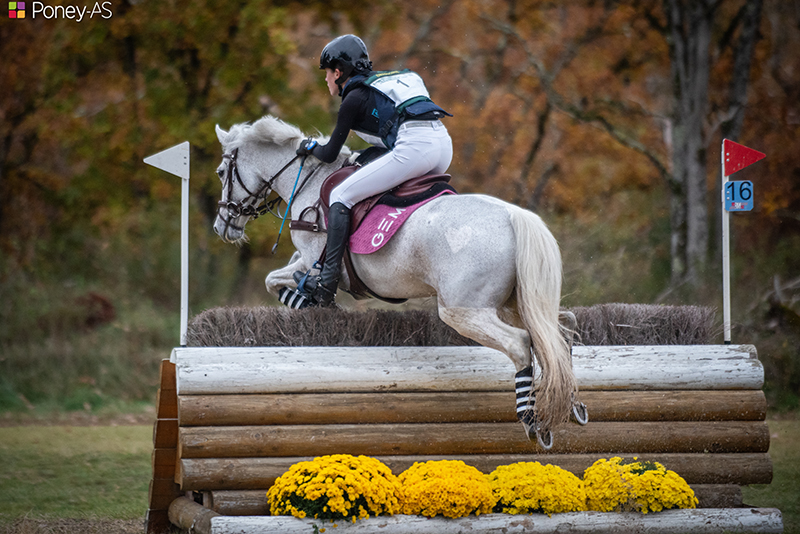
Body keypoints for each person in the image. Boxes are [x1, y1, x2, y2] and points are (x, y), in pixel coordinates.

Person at [294, 34, 453, 307]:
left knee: (341, 195)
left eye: (327, 73)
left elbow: (330, 153)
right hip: (443, 146)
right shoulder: (385, 81)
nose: (326, 79)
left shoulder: (353, 97)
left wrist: (310, 146)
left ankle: (326, 283)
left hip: (415, 148)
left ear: (339, 72)